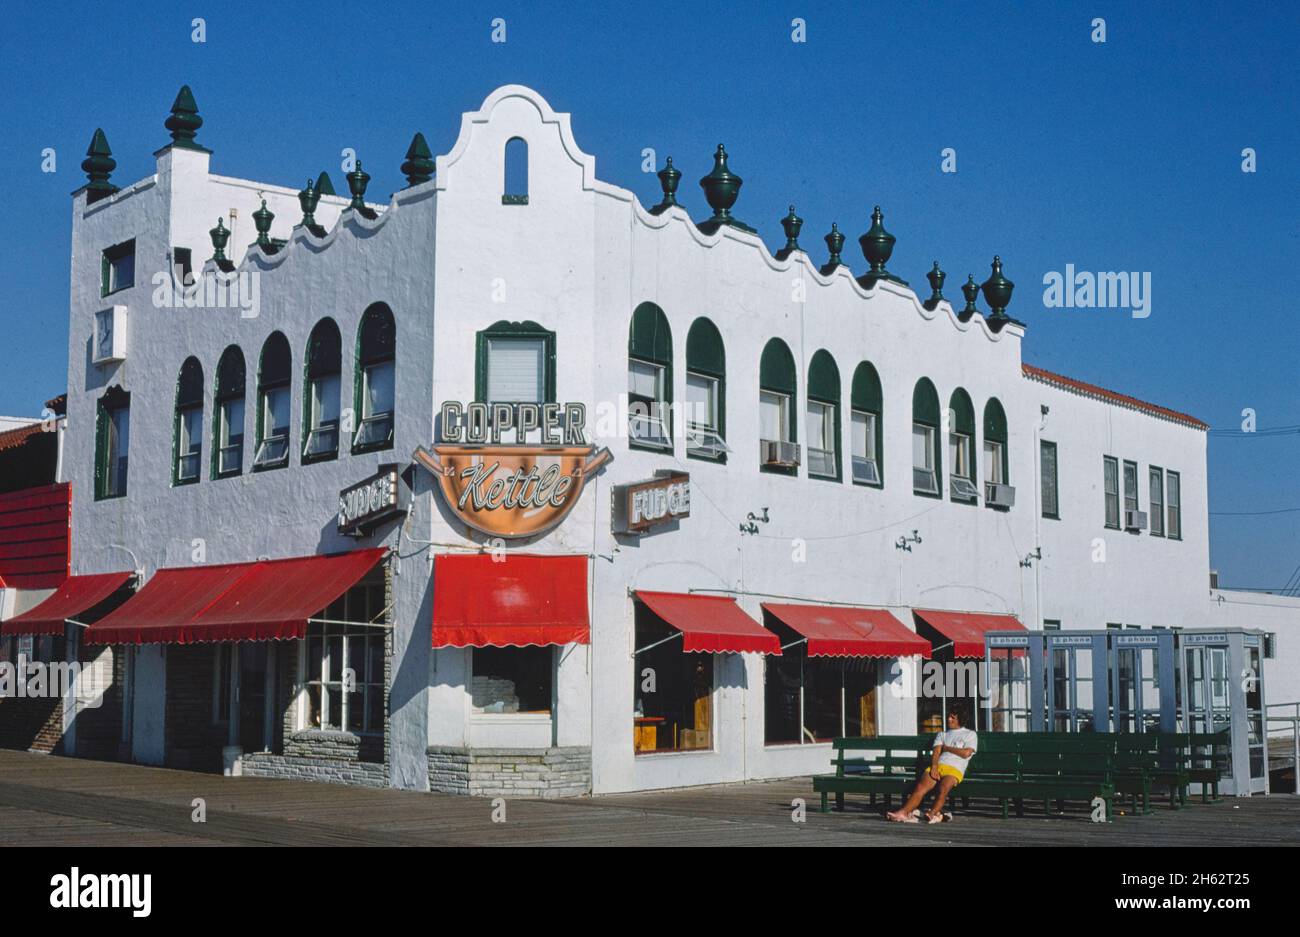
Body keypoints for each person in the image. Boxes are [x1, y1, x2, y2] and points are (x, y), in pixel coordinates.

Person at [886, 708, 978, 823]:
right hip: (939, 765)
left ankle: (932, 813)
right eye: (949, 716)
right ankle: (903, 813)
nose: (948, 719)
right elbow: (936, 752)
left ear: (960, 719)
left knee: (943, 788)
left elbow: (966, 753)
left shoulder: (970, 734)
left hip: (955, 769)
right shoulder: (942, 734)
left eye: (952, 717)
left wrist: (947, 748)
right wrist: (934, 767)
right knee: (920, 787)